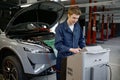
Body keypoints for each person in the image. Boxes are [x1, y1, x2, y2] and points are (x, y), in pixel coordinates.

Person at [54, 6, 86, 80]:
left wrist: (83, 49)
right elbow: (58, 45)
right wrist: (71, 49)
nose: (75, 20)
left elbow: (81, 39)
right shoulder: (60, 28)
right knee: (62, 77)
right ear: (68, 15)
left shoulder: (77, 26)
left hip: (75, 57)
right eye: (74, 18)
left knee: (72, 76)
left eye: (77, 18)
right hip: (63, 58)